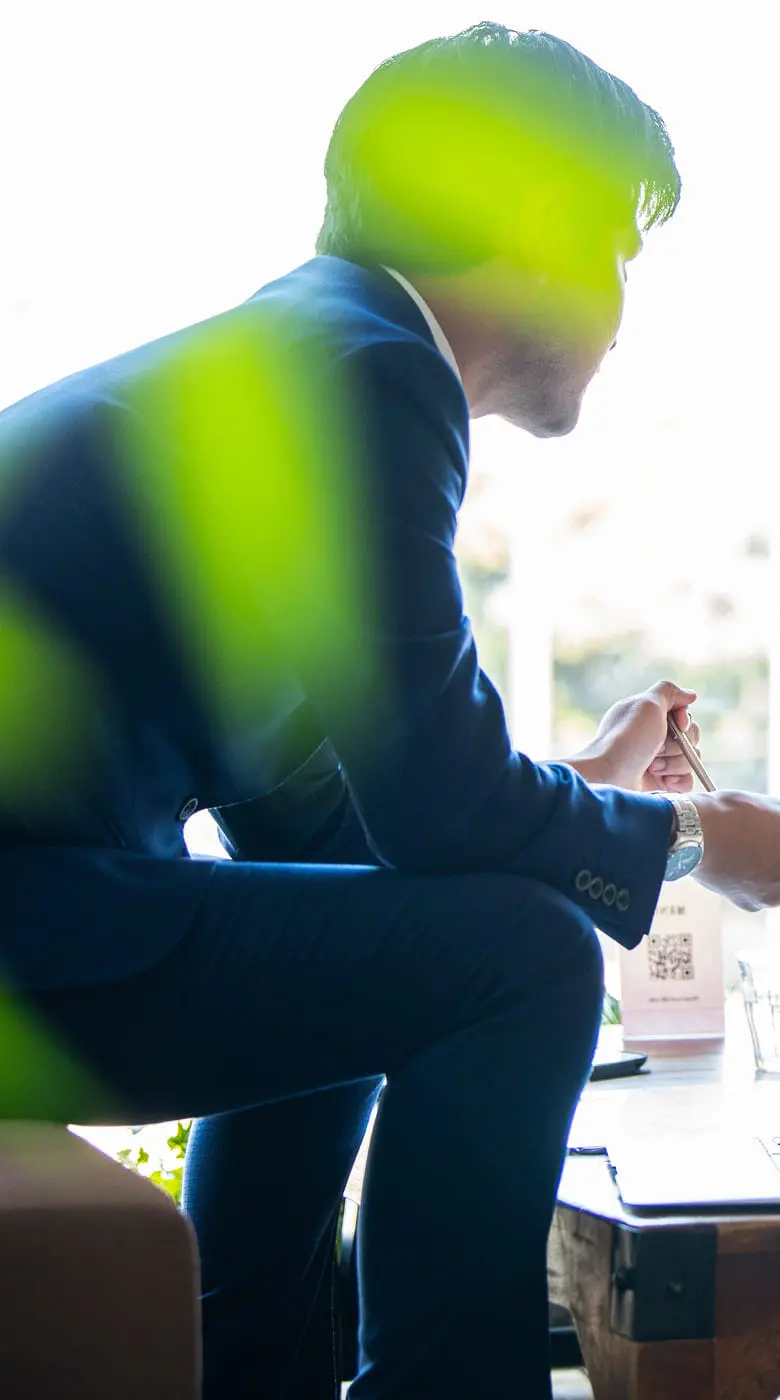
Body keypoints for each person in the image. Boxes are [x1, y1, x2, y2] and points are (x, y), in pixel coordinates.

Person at [1, 20, 779, 1400]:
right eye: (616, 254)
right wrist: (710, 840)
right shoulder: (371, 372)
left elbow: (374, 821)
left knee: (373, 925)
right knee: (523, 958)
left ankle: (259, 1372)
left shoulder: (299, 351)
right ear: (542, 223)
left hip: (41, 902)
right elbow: (439, 802)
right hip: (30, 923)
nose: (618, 307)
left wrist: (570, 790)